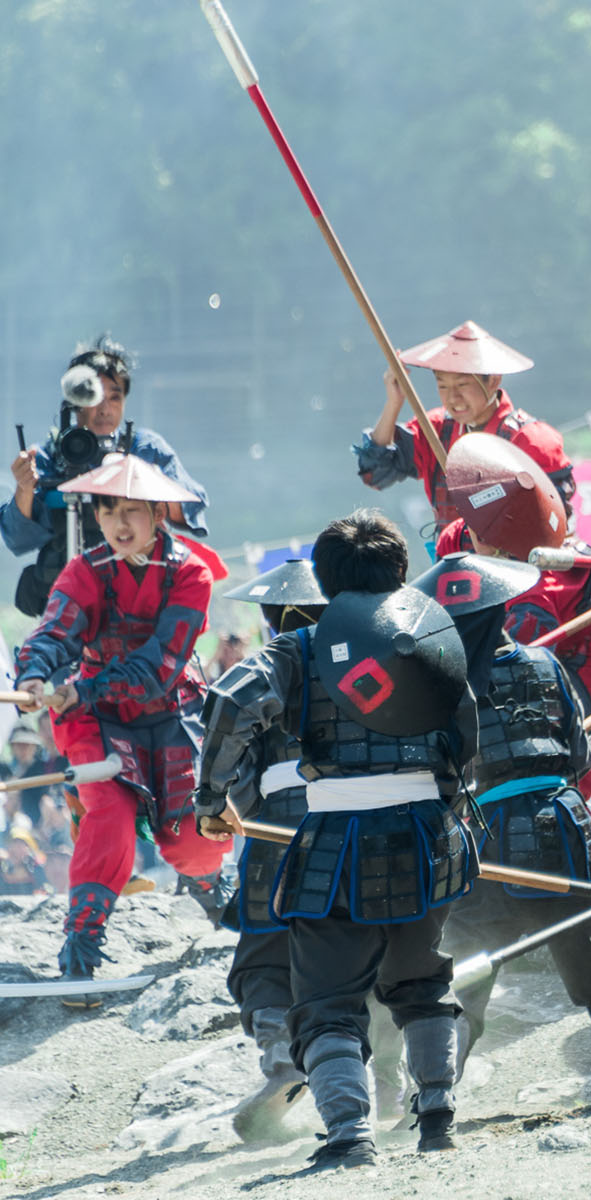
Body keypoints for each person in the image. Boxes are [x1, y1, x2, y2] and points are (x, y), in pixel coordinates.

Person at [194, 510, 478, 1171]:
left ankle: (349, 1136)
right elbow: (465, 729)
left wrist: (211, 803)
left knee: (325, 1000)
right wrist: (446, 798)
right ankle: (437, 1115)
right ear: (400, 573)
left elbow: (231, 702)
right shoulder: (432, 639)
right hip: (427, 834)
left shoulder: (300, 648)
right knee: (422, 982)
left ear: (323, 580)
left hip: (337, 841)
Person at [417, 551, 591, 1094]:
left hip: (487, 837)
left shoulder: (444, 685)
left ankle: (434, 1096)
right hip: (562, 824)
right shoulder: (546, 665)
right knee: (582, 947)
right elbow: (581, 756)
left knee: (468, 961)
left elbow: (439, 771)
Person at [13, 455, 224, 998]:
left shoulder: (191, 572)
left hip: (168, 714)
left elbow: (160, 664)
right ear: (97, 517)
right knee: (108, 810)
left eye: (133, 511)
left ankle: (215, 901)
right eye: (109, 512)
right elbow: (54, 629)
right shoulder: (84, 569)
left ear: (158, 513)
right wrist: (36, 675)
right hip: (96, 723)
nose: (120, 524)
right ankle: (79, 952)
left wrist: (84, 686)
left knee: (191, 843)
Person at [437, 433, 591, 764]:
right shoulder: (459, 536)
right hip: (552, 640)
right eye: (473, 527)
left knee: (552, 743)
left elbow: (522, 670)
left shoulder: (536, 588)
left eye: (484, 534)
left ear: (504, 542)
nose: (473, 534)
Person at [213, 557, 327, 1143]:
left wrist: (222, 805)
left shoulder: (262, 673)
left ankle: (283, 1058)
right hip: (353, 825)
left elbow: (232, 761)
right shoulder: (360, 669)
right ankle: (391, 1077)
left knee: (262, 958)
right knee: (366, 944)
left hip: (275, 837)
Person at [3, 337, 208, 616]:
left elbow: (190, 514)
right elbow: (18, 540)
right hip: (67, 607)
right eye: (94, 396)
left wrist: (152, 483)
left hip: (136, 605)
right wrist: (25, 488)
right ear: (74, 401)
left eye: (115, 396)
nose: (105, 408)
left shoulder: (144, 448)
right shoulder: (48, 456)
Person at [355, 321, 574, 538]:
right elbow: (375, 473)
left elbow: (553, 522)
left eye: (462, 385)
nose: (452, 398)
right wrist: (394, 403)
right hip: (450, 563)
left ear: (493, 381)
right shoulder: (436, 429)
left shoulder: (530, 439)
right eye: (443, 386)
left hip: (517, 567)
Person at [0, 724, 64, 829]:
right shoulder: (6, 770)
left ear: (34, 747)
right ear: (12, 747)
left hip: (37, 824)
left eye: (27, 745)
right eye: (19, 745)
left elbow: (49, 796)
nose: (23, 749)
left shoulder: (42, 770)